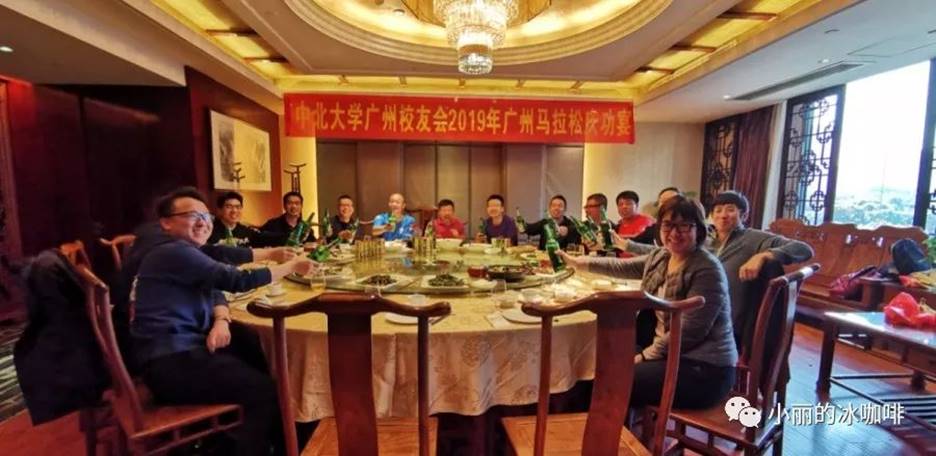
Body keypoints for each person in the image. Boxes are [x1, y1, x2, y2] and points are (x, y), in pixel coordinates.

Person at [132, 187, 316, 456]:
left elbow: (218, 268)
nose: (203, 222)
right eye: (192, 215)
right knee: (263, 391)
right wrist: (292, 266)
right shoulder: (172, 252)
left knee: (249, 342)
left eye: (206, 216)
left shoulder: (183, 251)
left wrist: (221, 318)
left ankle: (282, 438)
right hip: (170, 362)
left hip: (179, 350)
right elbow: (235, 280)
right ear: (166, 223)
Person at [560, 195, 737, 411]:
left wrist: (645, 356)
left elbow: (689, 331)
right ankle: (606, 427)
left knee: (608, 381)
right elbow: (621, 267)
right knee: (591, 369)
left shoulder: (706, 268)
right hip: (666, 352)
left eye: (684, 226)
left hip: (703, 369)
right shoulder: (663, 256)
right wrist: (578, 263)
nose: (674, 233)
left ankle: (604, 431)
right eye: (668, 225)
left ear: (698, 230)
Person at [706, 191, 814, 352]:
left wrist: (764, 255)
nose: (723, 215)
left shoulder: (754, 238)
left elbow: (804, 249)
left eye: (730, 209)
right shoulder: (706, 240)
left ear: (744, 215)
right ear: (711, 216)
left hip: (727, 328)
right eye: (718, 210)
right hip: (702, 315)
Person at [207, 191, 278, 247]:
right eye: (229, 207)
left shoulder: (247, 231)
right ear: (219, 210)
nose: (234, 211)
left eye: (238, 207)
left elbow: (266, 238)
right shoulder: (209, 230)